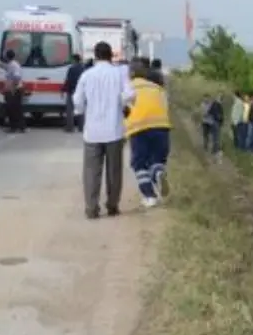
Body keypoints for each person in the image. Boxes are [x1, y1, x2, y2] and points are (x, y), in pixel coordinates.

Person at [73, 41, 137, 219]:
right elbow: (131, 94)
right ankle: (112, 205)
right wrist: (123, 103)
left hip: (92, 131)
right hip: (114, 130)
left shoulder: (87, 75)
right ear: (111, 56)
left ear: (95, 55)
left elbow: (77, 100)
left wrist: (83, 112)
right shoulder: (119, 74)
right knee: (114, 171)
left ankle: (91, 208)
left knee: (92, 172)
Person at [125, 59, 172, 208]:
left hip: (139, 128)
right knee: (157, 160)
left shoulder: (129, 88)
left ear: (131, 73)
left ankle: (149, 196)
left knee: (139, 164)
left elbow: (123, 108)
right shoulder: (157, 88)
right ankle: (158, 173)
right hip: (162, 126)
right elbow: (166, 106)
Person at [0, 48, 26, 133]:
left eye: (5, 55)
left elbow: (17, 78)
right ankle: (18, 127)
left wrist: (12, 89)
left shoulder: (14, 65)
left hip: (15, 90)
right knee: (15, 109)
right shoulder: (11, 64)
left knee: (13, 109)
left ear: (7, 56)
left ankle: (15, 127)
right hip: (13, 90)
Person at [62, 53, 84, 133]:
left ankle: (69, 128)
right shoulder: (83, 68)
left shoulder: (71, 69)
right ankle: (81, 127)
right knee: (81, 109)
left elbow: (68, 81)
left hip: (71, 91)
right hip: (81, 92)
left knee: (69, 110)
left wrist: (63, 89)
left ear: (74, 60)